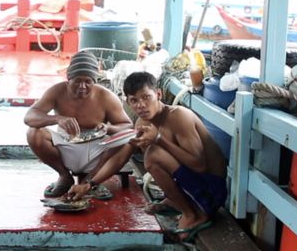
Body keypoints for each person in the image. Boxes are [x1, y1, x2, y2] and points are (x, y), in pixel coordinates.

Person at [67, 71, 227, 240]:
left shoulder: (179, 117)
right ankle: (177, 200)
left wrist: (159, 139)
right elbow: (121, 157)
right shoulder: (142, 123)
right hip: (191, 183)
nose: (140, 105)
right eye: (134, 100)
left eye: (146, 97)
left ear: (158, 94)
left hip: (212, 191)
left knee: (153, 155)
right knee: (151, 153)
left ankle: (192, 215)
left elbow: (199, 165)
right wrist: (88, 184)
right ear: (128, 102)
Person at [25, 50, 133, 198]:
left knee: (128, 143)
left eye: (88, 81)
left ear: (94, 81)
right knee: (33, 133)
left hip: (97, 151)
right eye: (77, 81)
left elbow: (127, 125)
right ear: (68, 79)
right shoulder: (57, 91)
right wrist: (57, 119)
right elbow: (29, 117)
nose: (82, 86)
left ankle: (91, 181)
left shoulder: (106, 97)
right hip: (66, 146)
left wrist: (108, 128)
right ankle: (64, 176)